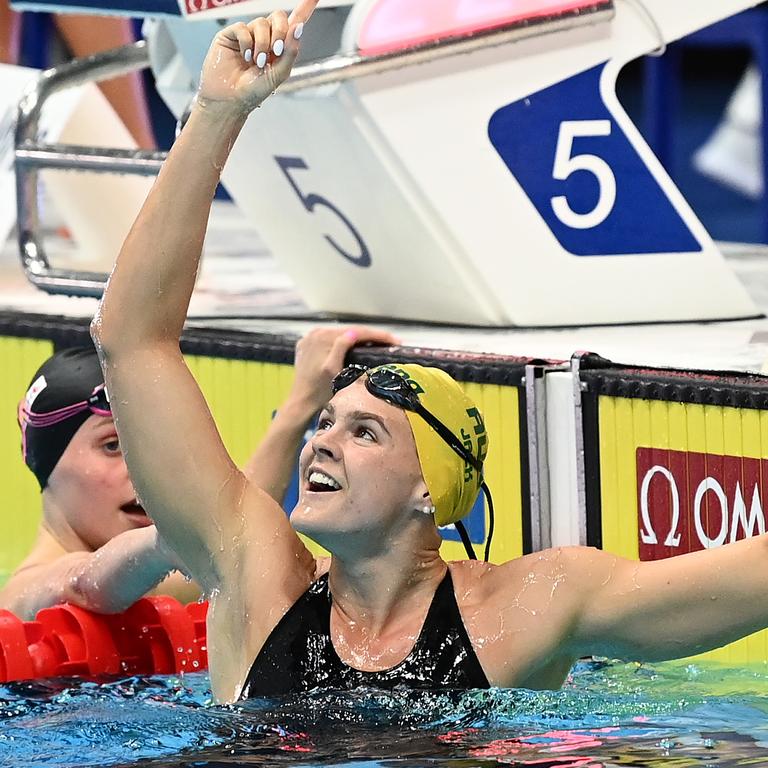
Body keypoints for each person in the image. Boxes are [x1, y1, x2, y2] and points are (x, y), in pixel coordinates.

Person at [91, 0, 768, 705]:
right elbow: (132, 341)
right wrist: (215, 112)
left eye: (364, 431)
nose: (322, 444)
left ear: (430, 490)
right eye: (327, 423)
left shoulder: (526, 609)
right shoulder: (256, 581)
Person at [0, 326, 393, 620]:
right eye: (112, 446)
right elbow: (81, 584)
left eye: (147, 446)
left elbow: (235, 529)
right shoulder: (22, 598)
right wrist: (175, 539)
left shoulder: (164, 585)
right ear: (47, 462)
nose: (141, 470)